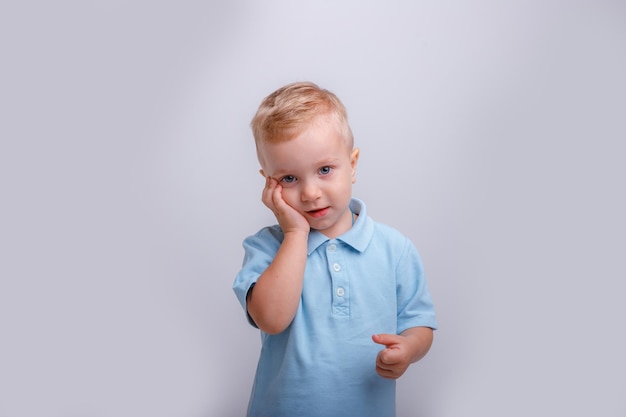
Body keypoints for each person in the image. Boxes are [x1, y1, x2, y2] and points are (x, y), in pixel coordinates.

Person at [233, 81, 437, 417]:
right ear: (267, 181)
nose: (310, 192)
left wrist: (410, 347)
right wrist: (295, 233)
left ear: (352, 164)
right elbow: (271, 319)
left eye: (324, 170)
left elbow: (419, 322)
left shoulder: (394, 249)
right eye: (288, 179)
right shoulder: (267, 247)